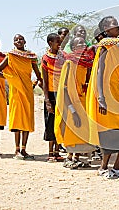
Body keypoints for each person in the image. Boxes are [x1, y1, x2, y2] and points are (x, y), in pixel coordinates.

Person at [86, 16, 119, 179]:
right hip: (105, 94)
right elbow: (100, 71)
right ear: (105, 30)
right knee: (109, 132)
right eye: (113, 24)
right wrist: (101, 97)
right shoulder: (105, 45)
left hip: (117, 92)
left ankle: (117, 167)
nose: (117, 26)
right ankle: (103, 167)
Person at [0, 34, 42, 160]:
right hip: (15, 92)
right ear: (13, 43)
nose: (18, 41)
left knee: (26, 119)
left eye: (20, 39)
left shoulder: (31, 56)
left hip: (27, 91)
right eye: (16, 39)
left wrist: (36, 82)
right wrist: (12, 79)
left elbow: (38, 74)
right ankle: (16, 150)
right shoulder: (10, 55)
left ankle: (24, 149)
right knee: (17, 120)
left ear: (25, 41)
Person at [55, 36, 95, 169]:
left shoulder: (86, 63)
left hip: (82, 101)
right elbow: (65, 88)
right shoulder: (69, 63)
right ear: (72, 48)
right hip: (71, 102)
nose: (82, 46)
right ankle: (69, 157)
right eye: (79, 44)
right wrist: (72, 110)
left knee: (83, 130)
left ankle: (77, 157)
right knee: (72, 128)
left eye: (84, 43)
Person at [41, 33, 65, 162]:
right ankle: (50, 152)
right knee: (50, 123)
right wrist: (47, 100)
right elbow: (44, 81)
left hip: (61, 92)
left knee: (59, 122)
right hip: (51, 93)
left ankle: (57, 151)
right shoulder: (45, 58)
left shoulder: (63, 57)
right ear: (50, 43)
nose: (59, 44)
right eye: (57, 42)